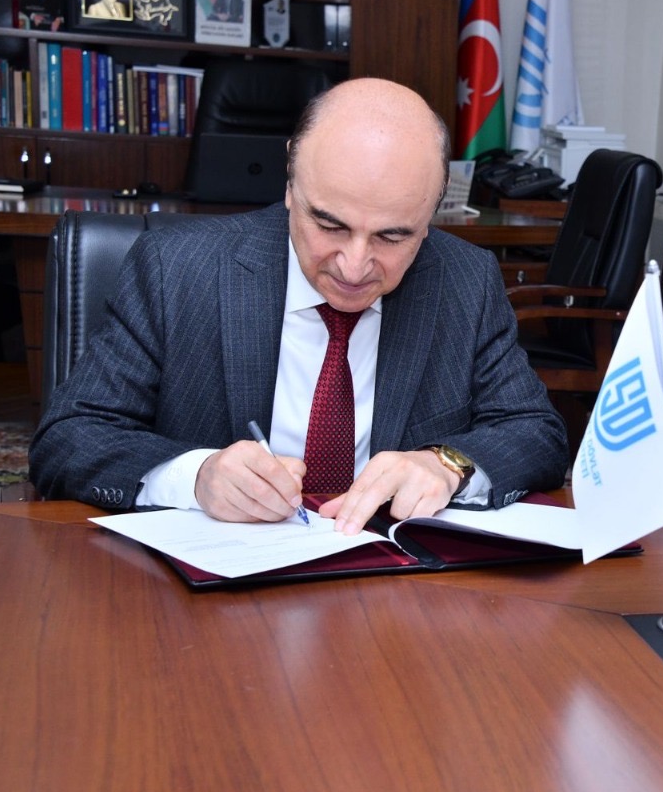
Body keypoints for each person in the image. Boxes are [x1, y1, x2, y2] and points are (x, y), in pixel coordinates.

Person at [30, 78, 568, 535]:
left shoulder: (464, 281)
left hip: (392, 588)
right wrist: (196, 477)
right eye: (329, 225)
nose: (354, 267)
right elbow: (68, 438)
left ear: (432, 214)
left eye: (393, 236)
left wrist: (447, 465)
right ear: (291, 181)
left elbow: (535, 432)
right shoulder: (176, 269)